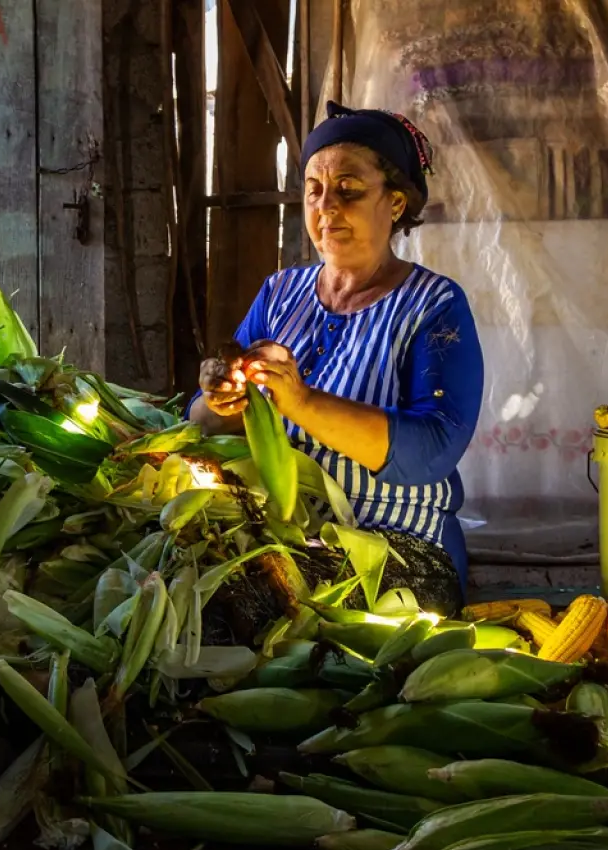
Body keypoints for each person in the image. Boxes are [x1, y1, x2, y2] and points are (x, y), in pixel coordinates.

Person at [190, 101, 484, 616]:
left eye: (348, 190)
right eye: (314, 189)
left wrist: (302, 402)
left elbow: (433, 449)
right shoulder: (280, 293)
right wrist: (221, 398)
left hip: (397, 546)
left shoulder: (434, 305)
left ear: (396, 203)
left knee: (247, 607)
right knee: (181, 577)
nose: (326, 207)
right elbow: (199, 422)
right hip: (283, 535)